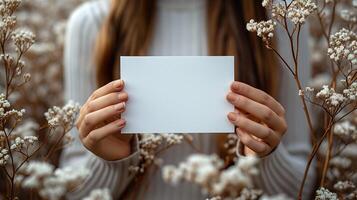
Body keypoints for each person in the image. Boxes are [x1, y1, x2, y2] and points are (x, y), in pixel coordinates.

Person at [60, 0, 316, 199]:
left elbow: (301, 189)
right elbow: (70, 190)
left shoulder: (279, 18)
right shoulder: (93, 22)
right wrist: (110, 161)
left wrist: (265, 158)